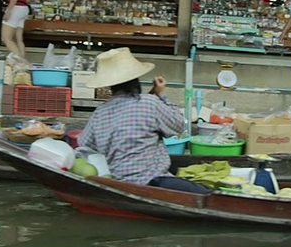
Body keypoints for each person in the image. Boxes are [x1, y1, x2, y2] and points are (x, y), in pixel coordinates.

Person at [78, 48, 212, 194]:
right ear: (136, 80)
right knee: (207, 192)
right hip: (153, 181)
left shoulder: (99, 113)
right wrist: (162, 95)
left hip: (119, 183)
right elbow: (181, 126)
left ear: (112, 86)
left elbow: (84, 144)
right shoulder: (149, 103)